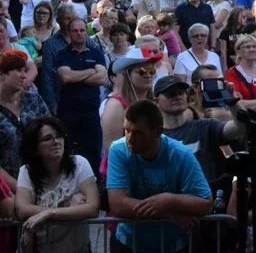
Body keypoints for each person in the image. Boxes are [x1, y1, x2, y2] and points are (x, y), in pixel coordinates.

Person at [107, 99, 212, 253]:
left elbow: (206, 202)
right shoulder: (118, 149)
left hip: (174, 245)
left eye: (137, 133)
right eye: (126, 130)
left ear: (157, 131)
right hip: (129, 242)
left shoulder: (181, 154)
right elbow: (117, 204)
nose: (129, 138)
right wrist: (169, 212)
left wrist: (169, 200)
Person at [14, 116, 100, 253]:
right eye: (48, 138)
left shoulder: (80, 164)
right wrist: (69, 210)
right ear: (35, 147)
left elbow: (92, 207)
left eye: (59, 136)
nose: (56, 141)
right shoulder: (26, 171)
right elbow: (22, 209)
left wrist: (50, 212)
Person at [154, 74, 243, 185]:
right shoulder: (152, 137)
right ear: (156, 101)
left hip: (205, 198)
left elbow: (241, 128)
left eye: (181, 93)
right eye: (170, 94)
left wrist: (232, 100)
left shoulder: (205, 127)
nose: (177, 97)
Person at [54, 17, 106, 173]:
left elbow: (102, 78)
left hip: (91, 111)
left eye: (82, 30)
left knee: (93, 152)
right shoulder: (62, 54)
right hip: (68, 111)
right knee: (68, 151)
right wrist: (90, 71)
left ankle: (95, 185)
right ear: (69, 33)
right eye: (75, 31)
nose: (79, 33)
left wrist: (76, 76)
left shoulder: (96, 53)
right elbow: (66, 77)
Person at [102, 47, 164, 156]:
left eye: (152, 71)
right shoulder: (115, 105)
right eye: (142, 71)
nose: (148, 75)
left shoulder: (155, 101)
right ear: (128, 76)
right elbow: (112, 149)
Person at [0, 51, 50, 181]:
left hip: (42, 178)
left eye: (24, 70)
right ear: (2, 74)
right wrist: (19, 188)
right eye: (18, 70)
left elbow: (51, 131)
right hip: (8, 187)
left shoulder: (34, 100)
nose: (24, 76)